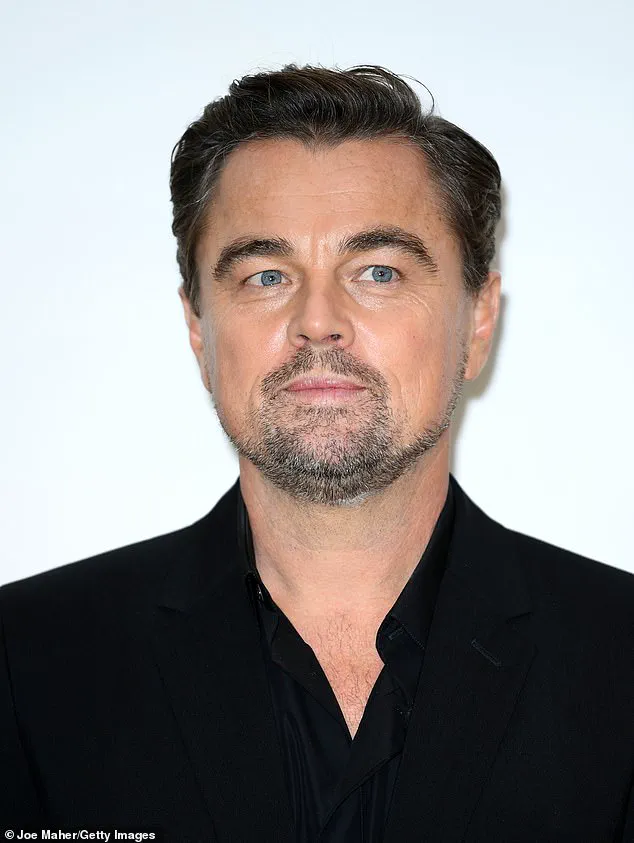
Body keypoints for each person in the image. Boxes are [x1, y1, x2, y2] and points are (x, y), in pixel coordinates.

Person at [1, 64, 633, 842]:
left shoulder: (621, 659)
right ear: (199, 329)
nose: (318, 320)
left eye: (378, 271)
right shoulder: (28, 661)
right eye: (267, 275)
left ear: (477, 319)